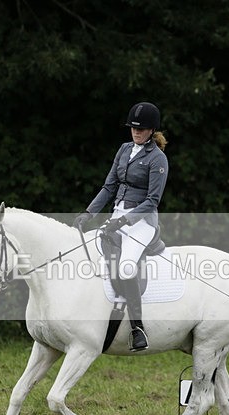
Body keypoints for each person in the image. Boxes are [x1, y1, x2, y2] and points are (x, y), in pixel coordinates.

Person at [74, 102, 169, 352]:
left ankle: (138, 328)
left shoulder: (158, 159)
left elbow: (152, 201)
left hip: (142, 223)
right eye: (133, 128)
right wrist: (89, 212)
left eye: (142, 129)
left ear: (151, 130)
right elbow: (109, 186)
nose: (136, 133)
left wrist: (125, 220)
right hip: (117, 215)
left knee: (126, 267)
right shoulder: (125, 150)